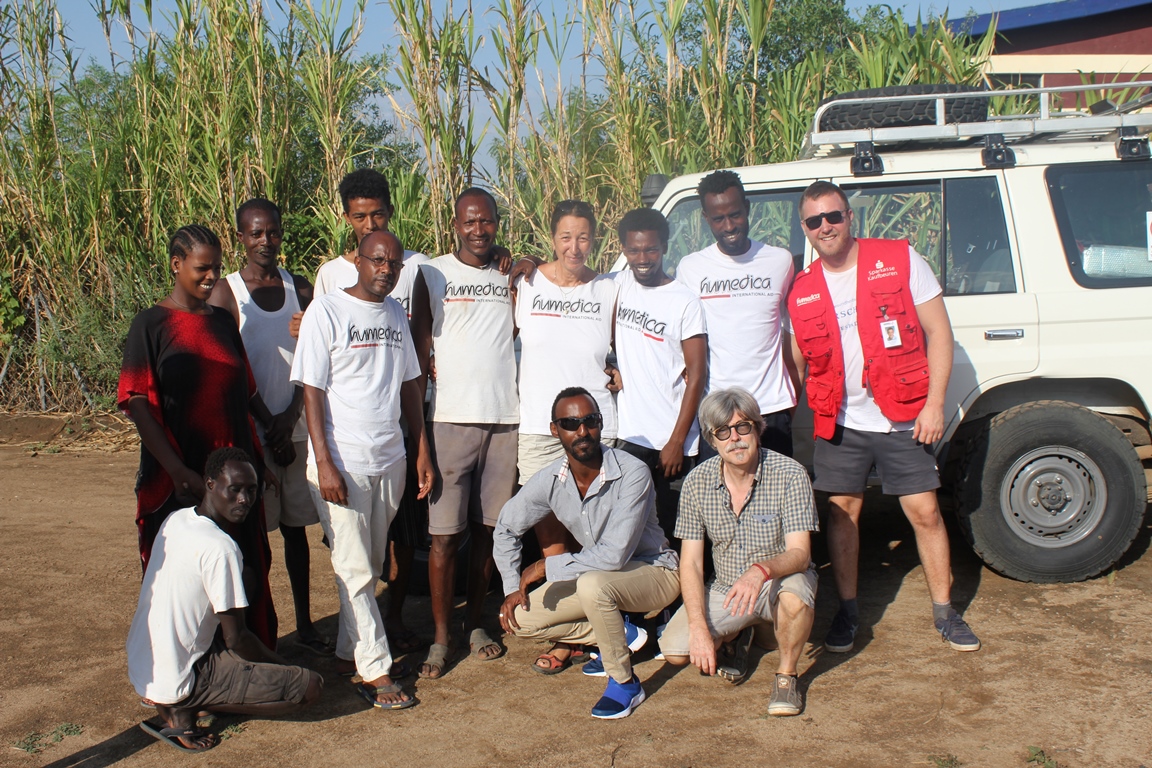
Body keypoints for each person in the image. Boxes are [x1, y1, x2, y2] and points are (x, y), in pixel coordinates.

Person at [787, 180, 980, 653]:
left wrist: (934, 404)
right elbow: (798, 361)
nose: (825, 226)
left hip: (903, 417)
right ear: (805, 228)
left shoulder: (898, 259)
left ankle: (944, 611)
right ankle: (848, 614)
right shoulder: (803, 288)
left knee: (926, 513)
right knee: (842, 516)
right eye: (815, 221)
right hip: (842, 422)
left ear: (850, 217)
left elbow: (939, 334)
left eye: (834, 216)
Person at [291, 230, 434, 709]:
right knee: (355, 568)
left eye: (393, 263)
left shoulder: (395, 311)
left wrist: (421, 450)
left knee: (368, 565)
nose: (385, 270)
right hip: (342, 463)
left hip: (389, 458)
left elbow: (411, 384)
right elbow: (310, 389)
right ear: (357, 260)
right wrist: (325, 462)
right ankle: (377, 670)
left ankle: (345, 649)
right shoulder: (326, 311)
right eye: (377, 261)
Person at [118, 224, 277, 648]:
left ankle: (244, 661)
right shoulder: (151, 324)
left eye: (217, 269)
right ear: (176, 265)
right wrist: (177, 470)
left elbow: (242, 393)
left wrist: (258, 465)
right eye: (202, 269)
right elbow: (136, 401)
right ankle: (184, 674)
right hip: (181, 476)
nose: (211, 277)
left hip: (233, 481)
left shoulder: (223, 322)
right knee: (185, 575)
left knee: (243, 568)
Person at [495, 387, 680, 719]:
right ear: (555, 430)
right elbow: (505, 528)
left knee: (595, 584)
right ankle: (617, 632)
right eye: (570, 422)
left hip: (655, 573)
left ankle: (625, 683)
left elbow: (614, 556)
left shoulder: (633, 472)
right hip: (595, 579)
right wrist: (511, 585)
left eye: (590, 421)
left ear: (600, 423)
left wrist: (541, 566)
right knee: (517, 620)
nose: (582, 431)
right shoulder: (550, 479)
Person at [127, 447, 322, 753]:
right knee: (308, 685)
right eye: (234, 489)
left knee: (245, 578)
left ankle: (181, 696)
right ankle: (184, 710)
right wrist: (283, 665)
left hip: (144, 664)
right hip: (178, 678)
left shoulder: (177, 519)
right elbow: (237, 639)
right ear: (209, 485)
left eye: (251, 490)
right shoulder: (220, 547)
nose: (244, 499)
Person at [209, 199, 332, 657]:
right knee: (253, 537)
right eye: (255, 233)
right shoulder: (228, 293)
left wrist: (291, 415)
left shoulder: (298, 287)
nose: (265, 241)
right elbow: (231, 367)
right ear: (241, 237)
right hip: (253, 436)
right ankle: (258, 629)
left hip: (297, 429)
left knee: (298, 532)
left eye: (273, 232)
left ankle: (305, 624)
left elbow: (315, 356)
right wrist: (267, 422)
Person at [410, 188, 519, 678]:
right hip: (449, 419)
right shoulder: (430, 273)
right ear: (454, 223)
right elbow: (417, 351)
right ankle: (439, 637)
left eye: (487, 222)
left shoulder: (509, 272)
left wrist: (523, 261)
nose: (479, 230)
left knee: (488, 532)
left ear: (497, 223)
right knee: (443, 537)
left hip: (505, 419)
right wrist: (418, 433)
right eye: (469, 222)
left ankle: (474, 624)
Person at [658, 388, 818, 717]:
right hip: (728, 586)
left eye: (743, 427)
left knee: (795, 600)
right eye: (723, 431)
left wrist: (760, 571)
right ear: (711, 440)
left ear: (758, 429)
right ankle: (740, 633)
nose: (736, 439)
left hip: (779, 581)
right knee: (677, 651)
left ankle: (786, 676)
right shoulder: (696, 482)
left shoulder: (790, 474)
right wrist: (700, 628)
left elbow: (801, 554)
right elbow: (690, 562)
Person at [675, 170, 796, 456]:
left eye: (735, 215)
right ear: (706, 218)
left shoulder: (780, 261)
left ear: (748, 209)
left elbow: (791, 333)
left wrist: (792, 399)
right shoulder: (690, 268)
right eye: (718, 219)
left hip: (771, 409)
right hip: (718, 412)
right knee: (720, 499)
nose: (729, 225)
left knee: (776, 497)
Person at [612, 208, 708, 546]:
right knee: (632, 528)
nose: (642, 258)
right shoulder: (619, 284)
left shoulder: (684, 301)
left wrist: (676, 442)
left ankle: (680, 596)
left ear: (664, 247)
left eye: (651, 249)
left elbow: (697, 375)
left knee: (676, 529)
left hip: (672, 442)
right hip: (630, 438)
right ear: (623, 249)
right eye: (634, 250)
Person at [513, 200, 618, 485]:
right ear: (552, 238)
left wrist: (622, 372)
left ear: (593, 240)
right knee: (541, 521)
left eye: (583, 238)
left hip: (594, 430)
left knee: (595, 519)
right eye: (566, 237)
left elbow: (633, 345)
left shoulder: (610, 289)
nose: (575, 247)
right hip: (539, 429)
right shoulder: (526, 283)